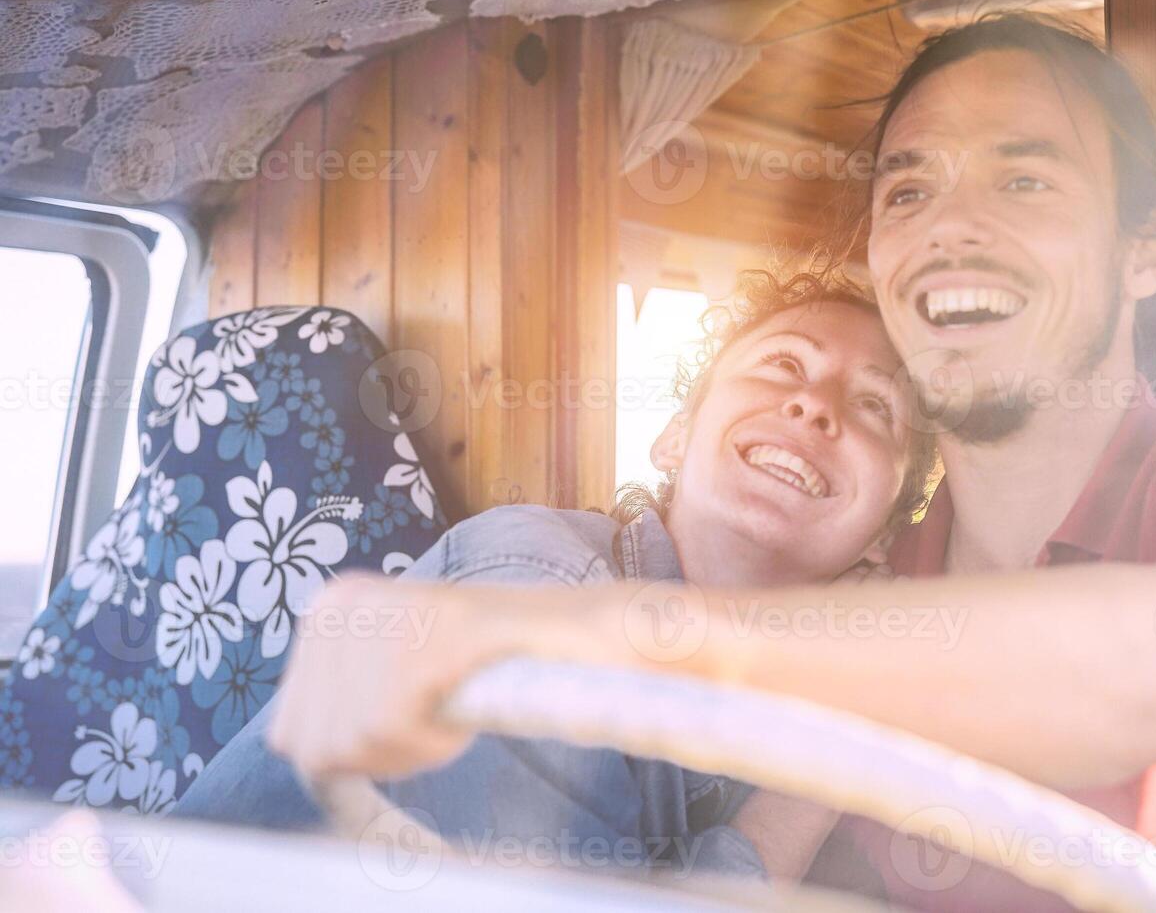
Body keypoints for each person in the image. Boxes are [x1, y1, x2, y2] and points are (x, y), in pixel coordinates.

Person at [260, 14, 1156, 911]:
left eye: (1026, 176)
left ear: (1142, 250)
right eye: (909, 187)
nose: (951, 223)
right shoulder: (867, 604)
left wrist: (557, 648)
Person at [170, 266, 935, 885]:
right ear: (674, 439)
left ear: (882, 537)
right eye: (783, 365)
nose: (814, 404)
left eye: (875, 405)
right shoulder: (536, 580)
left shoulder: (780, 707)